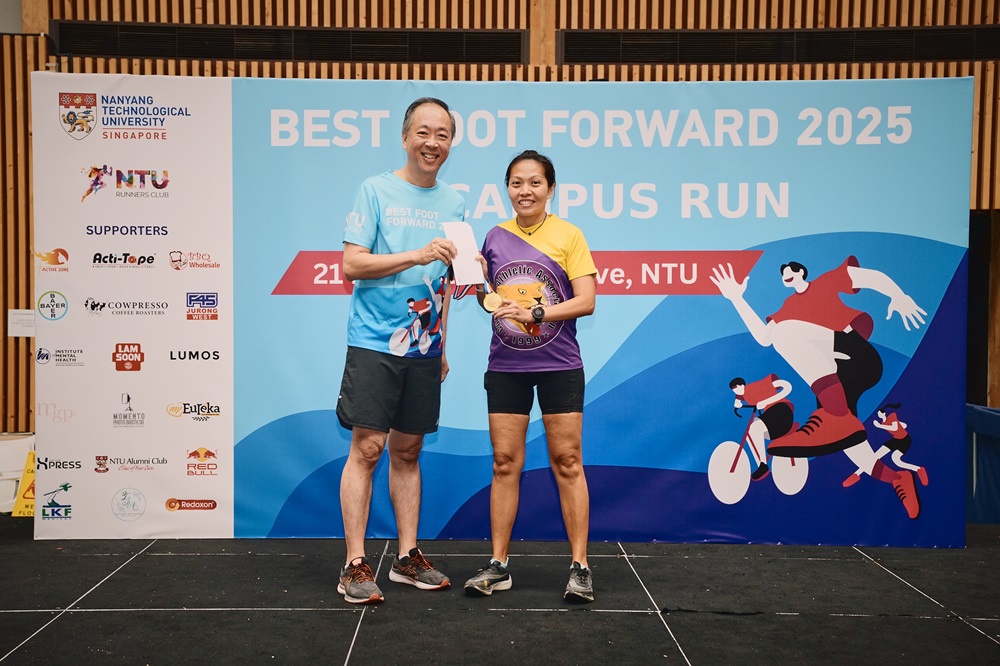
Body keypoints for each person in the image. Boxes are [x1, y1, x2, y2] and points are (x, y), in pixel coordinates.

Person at [335, 97, 463, 604]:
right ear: (406, 137)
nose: (433, 143)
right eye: (424, 133)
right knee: (368, 449)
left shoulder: (454, 203)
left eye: (442, 135)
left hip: (425, 348)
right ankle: (354, 563)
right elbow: (352, 264)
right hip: (374, 342)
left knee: (408, 452)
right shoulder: (375, 190)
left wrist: (443, 343)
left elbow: (447, 281)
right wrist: (416, 254)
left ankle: (407, 556)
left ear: (450, 143)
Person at [464, 150, 598, 602]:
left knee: (568, 461)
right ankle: (498, 565)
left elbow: (586, 301)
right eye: (517, 183)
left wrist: (536, 312)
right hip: (506, 367)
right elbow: (487, 300)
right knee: (505, 463)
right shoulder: (494, 237)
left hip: (560, 365)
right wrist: (479, 280)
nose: (525, 191)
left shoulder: (569, 234)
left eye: (535, 182)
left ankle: (580, 567)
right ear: (507, 188)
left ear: (550, 188)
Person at [710, 258, 926, 519]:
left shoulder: (825, 283)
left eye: (789, 271)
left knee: (784, 332)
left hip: (857, 357)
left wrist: (898, 295)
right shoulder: (787, 307)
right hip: (836, 380)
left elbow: (869, 278)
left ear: (801, 272)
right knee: (851, 444)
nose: (785, 275)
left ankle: (836, 414)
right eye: (782, 274)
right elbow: (765, 338)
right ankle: (898, 479)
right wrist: (737, 299)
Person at [728, 374, 795, 480]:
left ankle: (763, 464)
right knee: (750, 431)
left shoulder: (757, 386)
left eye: (736, 388)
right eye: (733, 390)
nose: (735, 391)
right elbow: (738, 398)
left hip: (782, 411)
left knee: (755, 427)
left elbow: (787, 386)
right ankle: (762, 465)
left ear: (742, 385)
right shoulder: (743, 394)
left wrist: (766, 402)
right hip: (771, 416)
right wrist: (737, 404)